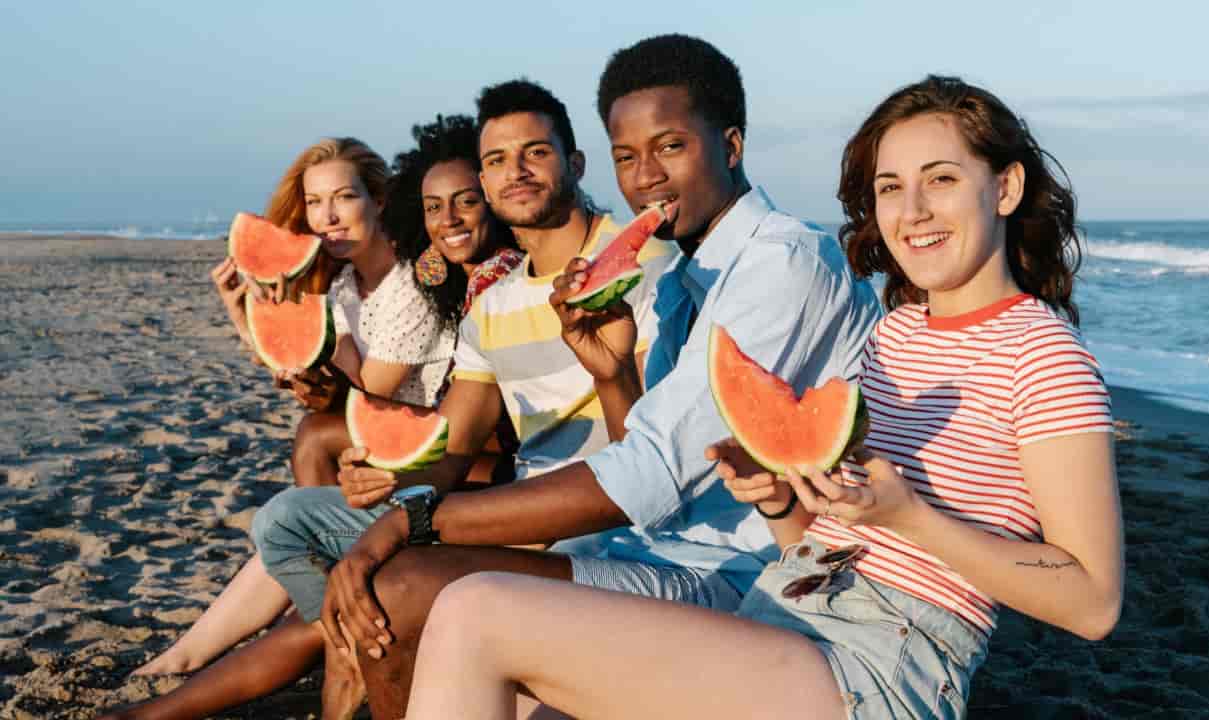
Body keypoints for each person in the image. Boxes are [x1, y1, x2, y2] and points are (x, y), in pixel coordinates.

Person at [401, 74, 1125, 720]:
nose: (913, 211)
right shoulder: (898, 332)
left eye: (940, 179)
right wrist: (779, 501)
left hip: (882, 663)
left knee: (474, 611)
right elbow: (826, 540)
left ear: (1004, 188)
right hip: (786, 604)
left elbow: (1093, 602)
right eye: (890, 187)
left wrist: (912, 518)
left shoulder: (1045, 355)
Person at [310, 36, 882, 718]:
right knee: (403, 588)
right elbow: (652, 465)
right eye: (626, 157)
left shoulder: (783, 264)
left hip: (745, 577)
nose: (645, 177)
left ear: (730, 146)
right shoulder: (683, 277)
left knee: (402, 584)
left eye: (671, 147)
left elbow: (650, 476)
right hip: (662, 552)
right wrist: (610, 375)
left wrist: (416, 518)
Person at [251, 78, 680, 718]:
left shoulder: (649, 267)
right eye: (498, 160)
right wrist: (386, 474)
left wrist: (610, 374)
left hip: (605, 525)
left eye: (535, 152)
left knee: (390, 584)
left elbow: (648, 461)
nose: (516, 172)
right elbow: (448, 451)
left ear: (575, 162)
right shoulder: (493, 304)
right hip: (515, 514)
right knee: (284, 521)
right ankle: (350, 653)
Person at [99, 122, 524, 719]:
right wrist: (246, 311)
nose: (326, 216)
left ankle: (323, 637)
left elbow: (368, 386)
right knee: (313, 441)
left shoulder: (414, 280)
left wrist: (305, 335)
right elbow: (301, 363)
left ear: (378, 200)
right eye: (315, 202)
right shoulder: (348, 281)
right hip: (414, 440)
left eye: (343, 197)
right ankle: (316, 628)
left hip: (451, 449)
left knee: (312, 449)